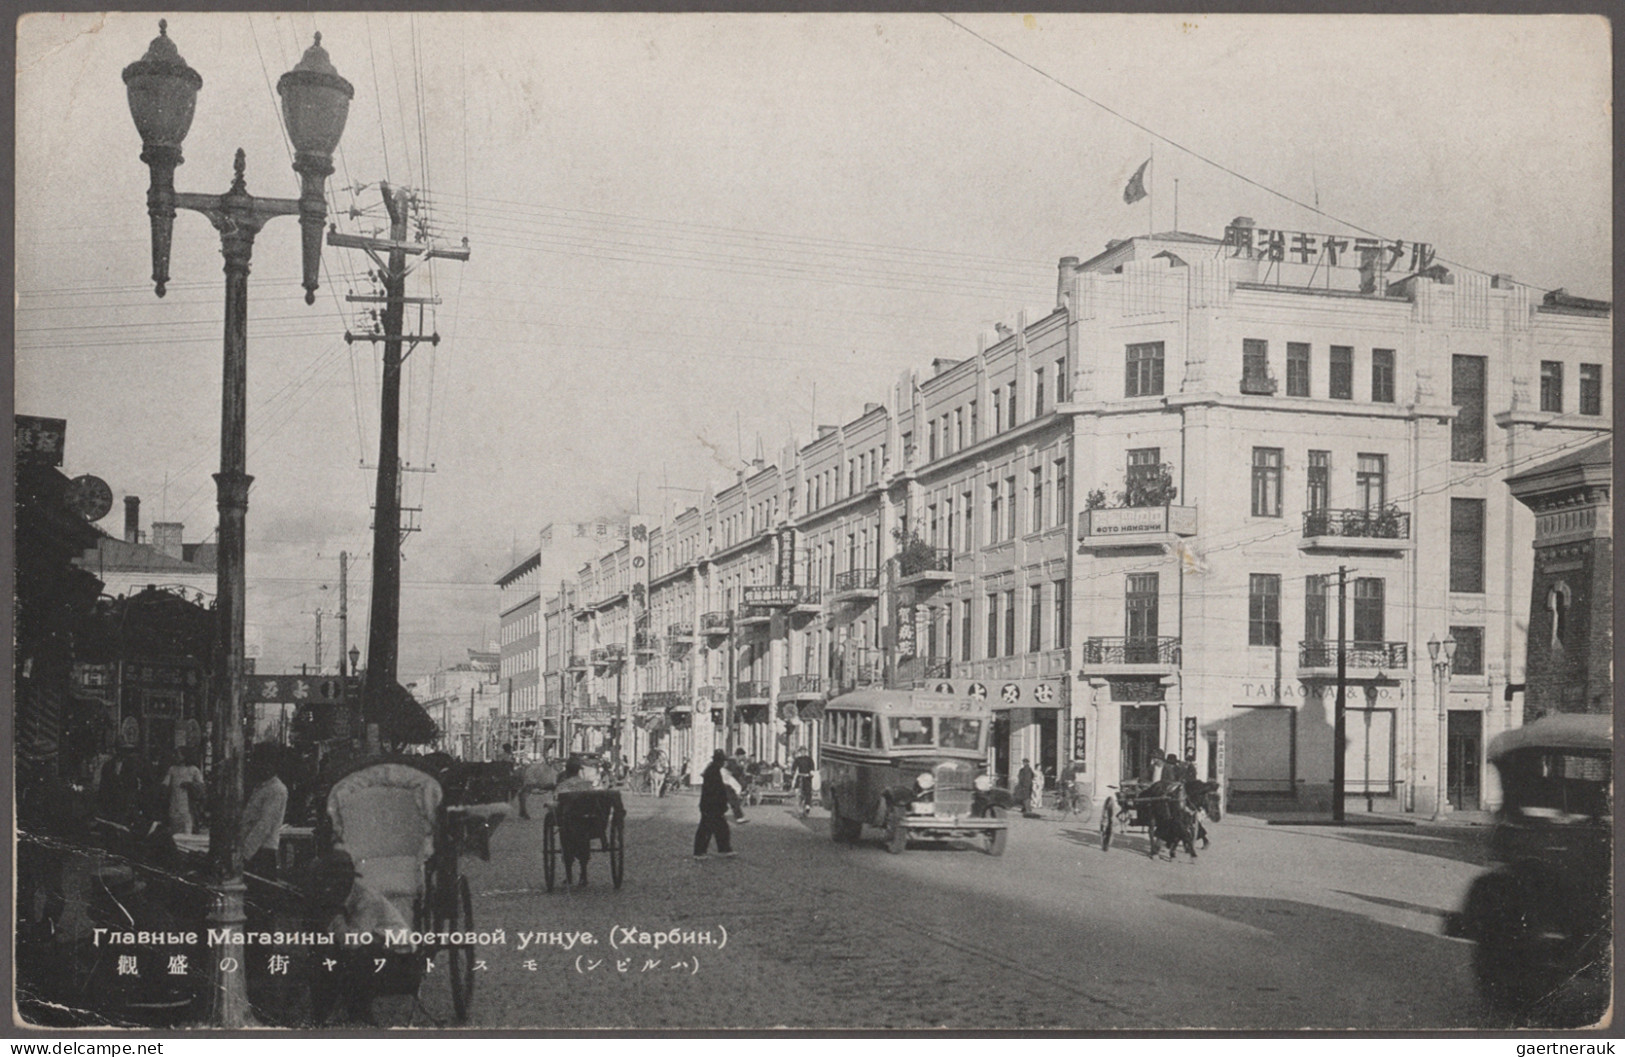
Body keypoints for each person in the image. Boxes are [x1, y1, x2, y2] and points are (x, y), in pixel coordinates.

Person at [309, 849, 412, 1025]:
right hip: (370, 947)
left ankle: (360, 1014)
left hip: (399, 956)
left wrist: (336, 916)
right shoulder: (343, 897)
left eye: (332, 881)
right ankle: (323, 1016)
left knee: (355, 955)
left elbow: (353, 942)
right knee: (324, 958)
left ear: (347, 881)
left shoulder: (366, 899)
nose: (328, 887)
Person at [239, 743, 288, 880]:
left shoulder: (276, 790)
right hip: (252, 851)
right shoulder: (260, 787)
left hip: (261, 853)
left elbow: (264, 826)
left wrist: (244, 855)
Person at [552, 761, 598, 885]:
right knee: (584, 842)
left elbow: (556, 803)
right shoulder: (587, 785)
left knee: (566, 843)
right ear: (578, 771)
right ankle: (583, 873)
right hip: (587, 820)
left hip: (568, 821)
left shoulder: (562, 786)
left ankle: (569, 875)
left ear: (567, 771)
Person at [693, 750, 742, 858]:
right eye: (722, 760)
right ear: (720, 761)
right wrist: (724, 800)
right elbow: (718, 790)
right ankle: (700, 852)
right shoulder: (714, 772)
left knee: (720, 828)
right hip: (712, 805)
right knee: (707, 828)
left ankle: (723, 849)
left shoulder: (712, 770)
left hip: (710, 805)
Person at [162, 749, 205, 835]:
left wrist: (190, 785)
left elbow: (201, 786)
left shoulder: (193, 770)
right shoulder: (172, 769)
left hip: (187, 807)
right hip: (174, 804)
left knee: (187, 831)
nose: (176, 757)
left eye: (178, 755)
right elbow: (165, 784)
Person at [725, 748, 750, 823]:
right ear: (740, 755)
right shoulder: (732, 761)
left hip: (727, 781)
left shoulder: (732, 761)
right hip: (727, 782)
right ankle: (739, 817)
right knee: (733, 800)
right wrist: (742, 768)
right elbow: (735, 772)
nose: (743, 757)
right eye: (743, 755)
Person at [790, 746, 816, 815]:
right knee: (797, 790)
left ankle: (807, 805)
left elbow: (812, 767)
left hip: (807, 776)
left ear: (806, 752)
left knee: (808, 791)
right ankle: (799, 804)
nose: (802, 752)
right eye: (801, 751)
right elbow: (794, 766)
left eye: (804, 751)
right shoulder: (798, 759)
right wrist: (793, 771)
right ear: (800, 752)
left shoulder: (809, 759)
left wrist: (811, 772)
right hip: (800, 776)